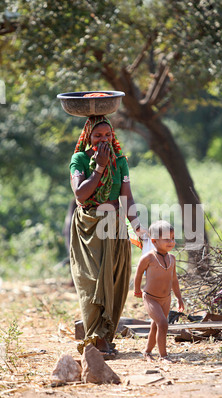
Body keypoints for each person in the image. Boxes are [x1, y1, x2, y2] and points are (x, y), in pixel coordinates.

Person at [69, 115, 144, 358]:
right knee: (91, 281)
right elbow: (81, 195)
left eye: (108, 136)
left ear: (113, 137)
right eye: (98, 136)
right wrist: (99, 166)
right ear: (89, 138)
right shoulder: (79, 159)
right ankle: (94, 339)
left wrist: (140, 229)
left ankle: (105, 338)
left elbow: (127, 199)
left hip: (115, 225)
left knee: (114, 282)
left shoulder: (120, 161)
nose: (103, 140)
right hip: (89, 227)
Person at [134, 220, 184, 363]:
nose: (171, 241)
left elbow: (174, 280)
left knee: (156, 326)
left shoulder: (172, 259)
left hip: (166, 298)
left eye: (173, 238)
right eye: (167, 239)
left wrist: (179, 298)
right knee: (162, 323)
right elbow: (138, 274)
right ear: (154, 241)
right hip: (150, 298)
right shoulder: (148, 258)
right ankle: (163, 356)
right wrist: (137, 290)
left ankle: (147, 352)